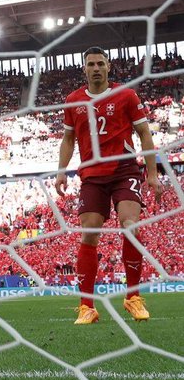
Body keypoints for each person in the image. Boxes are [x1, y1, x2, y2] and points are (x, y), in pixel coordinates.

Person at [55, 46, 162, 325]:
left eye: (100, 63)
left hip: (124, 170)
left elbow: (144, 133)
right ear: (84, 69)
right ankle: (87, 306)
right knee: (88, 236)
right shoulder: (73, 100)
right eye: (91, 64)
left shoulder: (126, 95)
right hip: (91, 176)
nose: (96, 68)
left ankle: (133, 297)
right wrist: (61, 171)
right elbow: (68, 140)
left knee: (130, 226)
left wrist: (151, 173)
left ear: (109, 66)